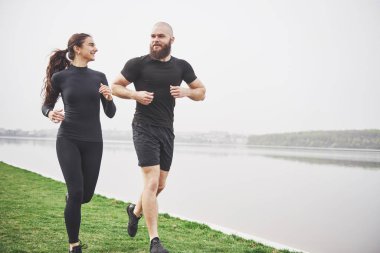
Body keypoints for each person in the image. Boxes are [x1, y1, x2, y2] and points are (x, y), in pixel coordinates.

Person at [112, 22, 206, 253]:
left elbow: (201, 92)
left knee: (160, 185)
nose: (156, 39)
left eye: (161, 36)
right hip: (143, 127)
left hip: (166, 130)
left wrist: (186, 92)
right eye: (152, 36)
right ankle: (155, 241)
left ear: (171, 40)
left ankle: (135, 212)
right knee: (152, 182)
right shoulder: (137, 64)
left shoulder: (182, 66)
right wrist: (135, 94)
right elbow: (114, 86)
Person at [41, 33, 116, 253]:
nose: (96, 48)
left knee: (86, 195)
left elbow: (110, 113)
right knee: (76, 193)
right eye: (92, 45)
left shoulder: (99, 76)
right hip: (68, 139)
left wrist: (109, 98)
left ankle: (72, 199)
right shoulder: (60, 78)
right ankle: (74, 244)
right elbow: (46, 105)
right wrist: (50, 114)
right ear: (77, 48)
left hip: (94, 141)